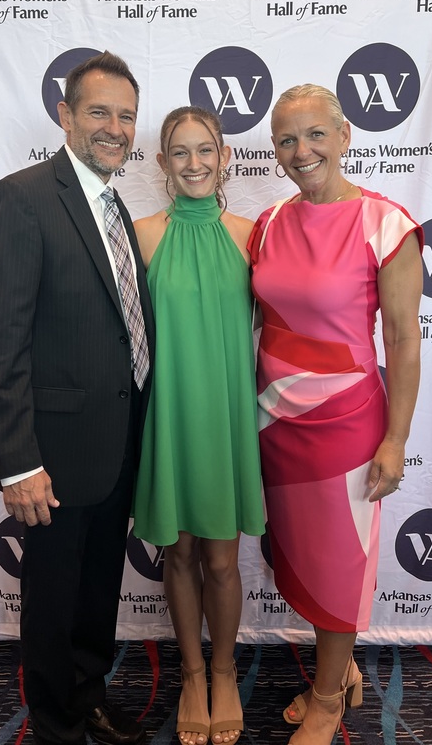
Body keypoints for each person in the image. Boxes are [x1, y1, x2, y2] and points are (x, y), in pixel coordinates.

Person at [0, 51, 155, 745]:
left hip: (118, 441)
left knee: (98, 590)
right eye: (100, 112)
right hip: (51, 454)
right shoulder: (22, 199)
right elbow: (1, 340)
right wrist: (17, 461)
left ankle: (89, 698)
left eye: (126, 116)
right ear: (66, 116)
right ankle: (54, 726)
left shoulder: (115, 204)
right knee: (53, 600)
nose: (115, 127)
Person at [248, 84, 423, 745]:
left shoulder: (387, 223)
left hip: (347, 425)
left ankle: (327, 698)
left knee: (339, 561)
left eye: (315, 134)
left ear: (345, 136)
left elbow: (403, 340)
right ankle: (340, 668)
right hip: (274, 421)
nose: (302, 151)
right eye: (287, 140)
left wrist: (397, 438)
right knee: (299, 555)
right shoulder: (268, 223)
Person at [132, 107, 265, 745]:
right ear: (161, 164)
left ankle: (224, 671)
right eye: (179, 153)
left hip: (229, 415)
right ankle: (190, 674)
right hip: (170, 415)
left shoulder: (250, 234)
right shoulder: (142, 235)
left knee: (222, 556)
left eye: (205, 151)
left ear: (225, 158)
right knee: (179, 551)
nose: (193, 164)